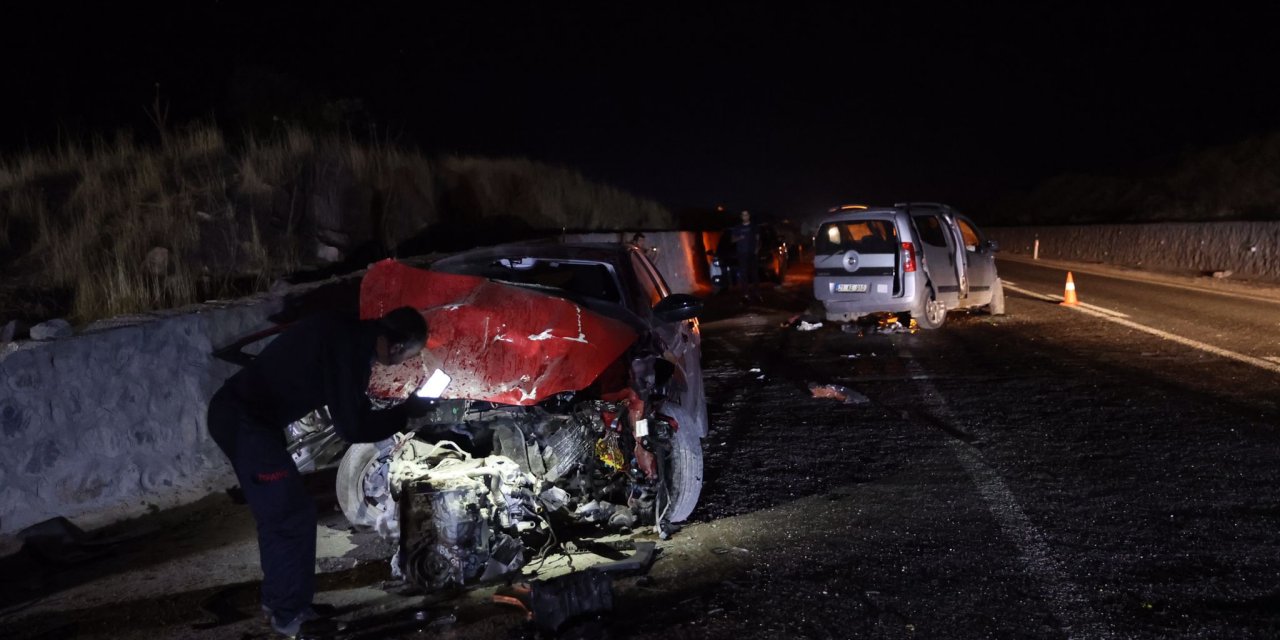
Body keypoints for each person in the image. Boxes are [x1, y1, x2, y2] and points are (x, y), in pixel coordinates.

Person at [206, 306, 427, 637]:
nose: (402, 363)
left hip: (242, 419)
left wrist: (394, 413)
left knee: (278, 516)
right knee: (290, 516)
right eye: (408, 356)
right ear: (396, 346)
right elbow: (352, 426)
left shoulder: (347, 333)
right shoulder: (348, 347)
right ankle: (289, 615)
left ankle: (280, 602)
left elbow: (353, 409)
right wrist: (405, 414)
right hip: (246, 423)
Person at [728, 210, 761, 301]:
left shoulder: (754, 226)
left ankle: (757, 293)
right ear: (741, 217)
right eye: (743, 215)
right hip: (742, 253)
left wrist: (757, 249)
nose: (745, 216)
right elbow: (732, 240)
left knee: (754, 274)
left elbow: (758, 239)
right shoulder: (738, 227)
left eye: (746, 215)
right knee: (744, 274)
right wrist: (739, 237)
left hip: (752, 253)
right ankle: (745, 294)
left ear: (749, 216)